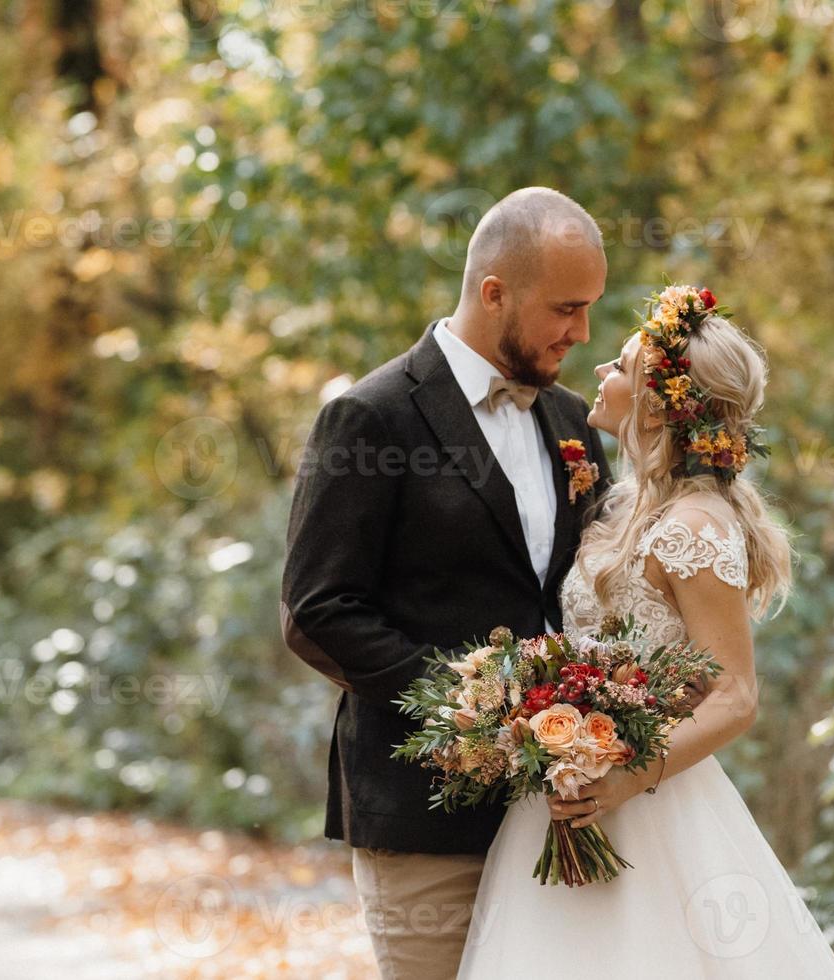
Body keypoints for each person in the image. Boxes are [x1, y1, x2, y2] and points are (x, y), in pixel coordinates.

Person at [456, 286, 834, 977]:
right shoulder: (631, 503)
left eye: (621, 366)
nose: (601, 373)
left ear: (658, 402)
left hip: (647, 805)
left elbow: (734, 695)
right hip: (566, 795)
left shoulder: (695, 526)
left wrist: (623, 780)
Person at [280, 186, 612, 980]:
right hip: (424, 814)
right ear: (494, 292)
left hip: (561, 816)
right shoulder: (371, 418)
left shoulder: (576, 424)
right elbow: (318, 609)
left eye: (590, 307)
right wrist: (470, 712)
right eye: (566, 308)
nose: (583, 331)